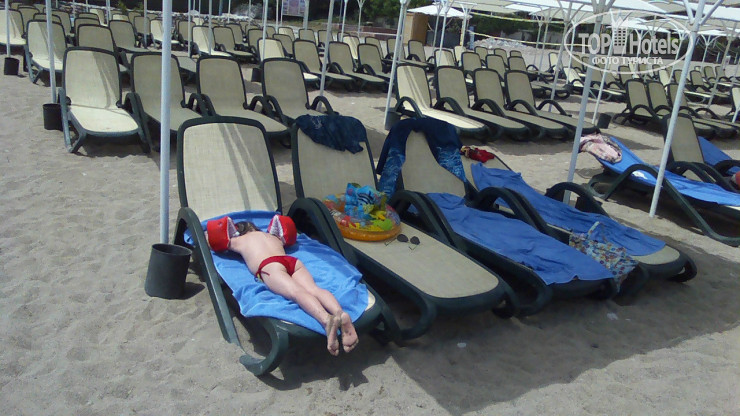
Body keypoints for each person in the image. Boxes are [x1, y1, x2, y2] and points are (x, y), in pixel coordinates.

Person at [207, 215, 358, 356]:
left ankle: (326, 320)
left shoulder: (240, 240)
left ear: (239, 231)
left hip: (270, 265)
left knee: (297, 293)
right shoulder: (274, 237)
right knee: (314, 289)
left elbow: (214, 241)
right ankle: (340, 313)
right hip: (291, 261)